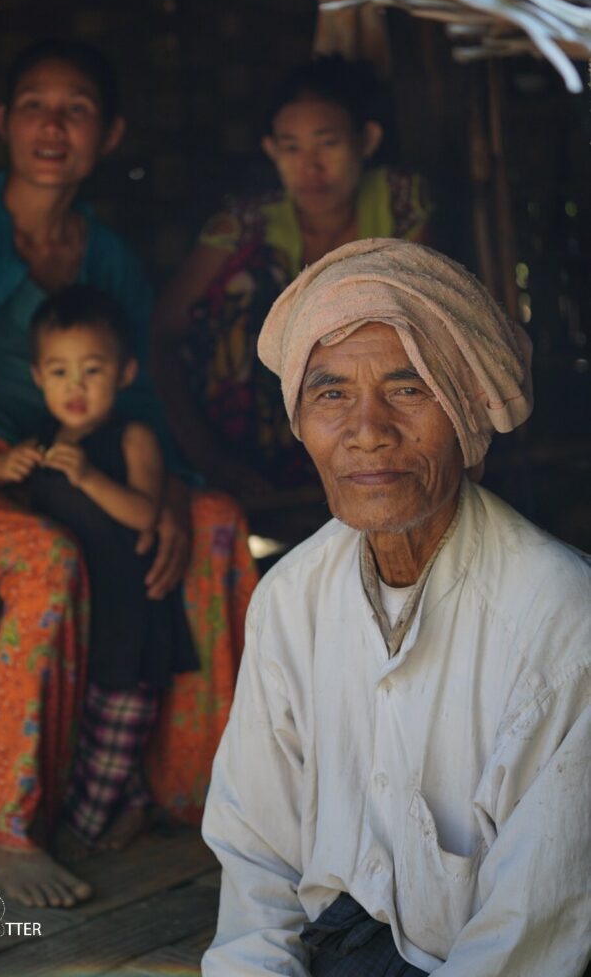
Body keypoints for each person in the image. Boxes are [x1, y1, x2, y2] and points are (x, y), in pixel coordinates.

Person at [0, 38, 257, 909]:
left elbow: (137, 402)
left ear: (110, 134)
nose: (52, 125)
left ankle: (199, 784)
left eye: (76, 109)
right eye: (33, 103)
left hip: (71, 477)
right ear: (2, 121)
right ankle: (9, 827)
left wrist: (170, 494)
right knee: (46, 558)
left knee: (214, 517)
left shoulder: (108, 257)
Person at [201, 239, 591, 976]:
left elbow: (532, 933)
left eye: (408, 389)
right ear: (299, 420)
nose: (368, 430)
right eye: (331, 394)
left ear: (468, 411)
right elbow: (257, 854)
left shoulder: (563, 620)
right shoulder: (290, 599)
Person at [0, 285, 200, 852]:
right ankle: (133, 801)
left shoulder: (132, 437)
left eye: (92, 370)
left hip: (131, 615)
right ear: (38, 377)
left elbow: (145, 513)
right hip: (80, 625)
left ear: (125, 372)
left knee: (108, 752)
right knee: (91, 735)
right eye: (60, 372)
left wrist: (88, 477)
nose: (76, 387)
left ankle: (106, 819)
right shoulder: (36, 445)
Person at [151, 57, 432, 517]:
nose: (311, 167)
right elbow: (164, 334)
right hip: (250, 450)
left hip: (380, 430)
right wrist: (211, 459)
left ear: (367, 141)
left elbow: (431, 321)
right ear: (270, 150)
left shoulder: (400, 201)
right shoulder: (246, 224)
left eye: (329, 143)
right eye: (291, 148)